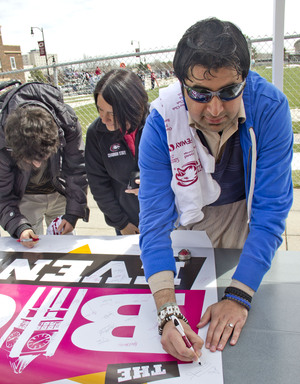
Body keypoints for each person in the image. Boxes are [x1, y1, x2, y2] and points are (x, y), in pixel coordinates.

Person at [138, 18, 293, 361]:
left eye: (229, 92)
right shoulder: (160, 123)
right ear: (180, 87)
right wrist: (165, 310)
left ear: (246, 80)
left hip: (246, 217)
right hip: (191, 222)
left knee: (255, 331)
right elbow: (153, 221)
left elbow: (271, 210)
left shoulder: (270, 109)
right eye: (200, 94)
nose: (215, 108)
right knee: (196, 322)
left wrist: (239, 296)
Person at [0, 82, 89, 248]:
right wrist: (19, 226)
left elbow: (77, 169)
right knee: (30, 249)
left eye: (42, 157)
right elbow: (2, 194)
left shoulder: (66, 121)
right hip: (25, 198)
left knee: (65, 246)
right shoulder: (2, 138)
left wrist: (73, 213)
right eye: (29, 159)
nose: (36, 164)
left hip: (59, 192)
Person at [85, 69, 148, 235]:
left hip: (167, 216)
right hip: (130, 223)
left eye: (112, 114)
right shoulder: (96, 133)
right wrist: (121, 223)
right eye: (99, 110)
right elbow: (98, 184)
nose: (103, 119)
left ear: (131, 107)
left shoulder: (157, 122)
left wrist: (154, 182)